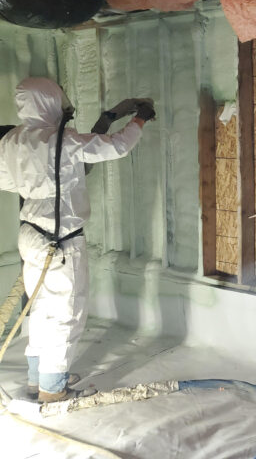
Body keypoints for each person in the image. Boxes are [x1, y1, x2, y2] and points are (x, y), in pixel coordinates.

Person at [0, 78, 154, 403]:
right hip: (61, 242)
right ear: (51, 102)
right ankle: (53, 390)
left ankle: (36, 378)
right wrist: (141, 117)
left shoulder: (11, 140)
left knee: (41, 308)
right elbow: (117, 146)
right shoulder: (64, 141)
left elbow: (11, 180)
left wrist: (110, 115)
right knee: (67, 313)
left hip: (30, 235)